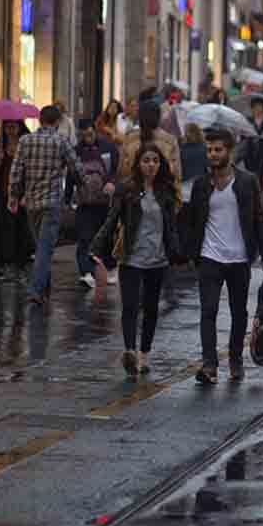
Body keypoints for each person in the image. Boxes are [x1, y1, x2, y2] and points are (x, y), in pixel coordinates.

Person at [186, 129, 263, 385]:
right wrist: (191, 253)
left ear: (230, 152)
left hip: (238, 258)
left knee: (239, 313)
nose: (212, 155)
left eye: (218, 150)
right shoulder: (202, 184)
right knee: (208, 311)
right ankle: (210, 365)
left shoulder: (247, 181)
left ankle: (235, 359)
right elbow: (193, 221)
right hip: (209, 257)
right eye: (210, 150)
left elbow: (258, 218)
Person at [91, 144, 184, 377]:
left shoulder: (166, 192)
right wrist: (96, 247)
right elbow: (111, 220)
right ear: (138, 164)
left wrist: (178, 252)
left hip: (158, 259)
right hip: (131, 257)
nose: (150, 165)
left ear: (160, 164)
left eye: (154, 160)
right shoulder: (127, 190)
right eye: (146, 160)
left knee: (151, 308)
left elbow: (172, 227)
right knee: (130, 306)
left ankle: (144, 353)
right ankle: (130, 352)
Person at [9, 104, 84, 306]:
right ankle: (36, 290)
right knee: (44, 248)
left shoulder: (25, 141)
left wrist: (14, 195)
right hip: (51, 202)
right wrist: (82, 185)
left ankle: (43, 289)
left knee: (41, 247)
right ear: (58, 122)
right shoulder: (61, 142)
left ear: (40, 120)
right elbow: (77, 168)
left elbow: (16, 171)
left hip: (31, 203)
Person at [72, 119, 119, 288]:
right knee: (84, 237)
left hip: (105, 200)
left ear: (94, 131)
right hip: (85, 201)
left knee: (106, 235)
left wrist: (112, 183)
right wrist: (68, 197)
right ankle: (86, 272)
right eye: (84, 135)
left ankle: (111, 266)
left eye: (90, 134)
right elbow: (71, 174)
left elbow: (116, 169)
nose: (88, 138)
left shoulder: (108, 147)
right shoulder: (76, 150)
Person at [0, 119, 31, 284]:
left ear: (20, 127)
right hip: (4, 193)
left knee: (21, 229)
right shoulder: (1, 144)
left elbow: (31, 170)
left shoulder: (27, 143)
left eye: (13, 127)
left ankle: (20, 267)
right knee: (6, 229)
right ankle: (7, 266)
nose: (10, 130)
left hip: (22, 194)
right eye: (7, 127)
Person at [118, 100, 184, 199]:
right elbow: (176, 174)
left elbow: (122, 172)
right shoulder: (170, 141)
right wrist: (176, 202)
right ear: (159, 117)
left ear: (140, 117)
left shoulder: (129, 139)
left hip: (133, 198)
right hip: (162, 199)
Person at [239, 96, 263, 186]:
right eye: (254, 107)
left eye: (259, 106)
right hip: (250, 152)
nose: (257, 109)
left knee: (262, 177)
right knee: (250, 177)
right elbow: (243, 137)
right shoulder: (247, 121)